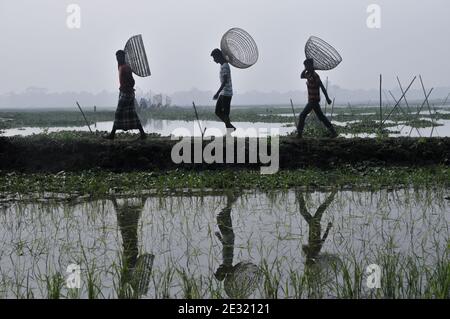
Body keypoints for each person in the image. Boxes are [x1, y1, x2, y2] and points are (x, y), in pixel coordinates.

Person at [104, 50, 146, 140]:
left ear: (123, 58)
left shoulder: (126, 68)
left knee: (118, 113)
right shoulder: (121, 66)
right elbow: (119, 67)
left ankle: (112, 135)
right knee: (132, 114)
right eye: (117, 58)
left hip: (127, 94)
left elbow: (132, 81)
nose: (118, 59)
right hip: (127, 93)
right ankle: (143, 134)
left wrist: (126, 89)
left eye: (119, 57)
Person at [297, 58, 337, 138]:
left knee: (302, 115)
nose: (306, 67)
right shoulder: (308, 74)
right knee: (321, 117)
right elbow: (301, 76)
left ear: (311, 66)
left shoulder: (315, 76)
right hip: (312, 100)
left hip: (313, 100)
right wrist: (305, 69)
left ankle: (299, 134)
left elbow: (322, 87)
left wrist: (327, 98)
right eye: (305, 66)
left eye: (307, 66)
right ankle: (333, 132)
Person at [211, 49, 236, 131]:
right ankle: (230, 127)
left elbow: (225, 81)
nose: (214, 59)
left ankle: (229, 130)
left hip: (226, 93)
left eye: (214, 57)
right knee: (219, 112)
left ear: (218, 56)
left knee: (224, 113)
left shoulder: (225, 66)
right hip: (224, 93)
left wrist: (217, 93)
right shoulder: (223, 65)